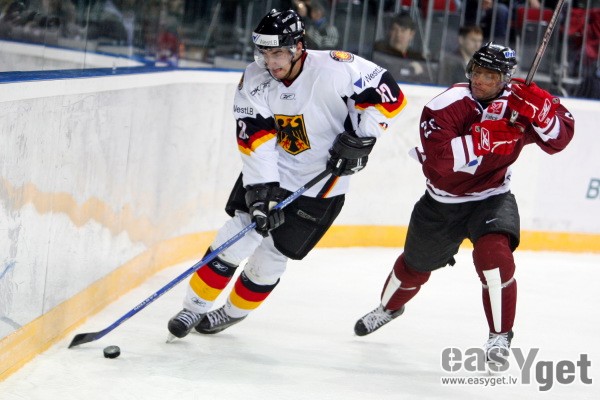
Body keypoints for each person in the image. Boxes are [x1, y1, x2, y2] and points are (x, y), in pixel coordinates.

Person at [167, 8, 407, 339]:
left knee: (270, 259)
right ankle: (193, 307)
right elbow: (255, 139)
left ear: (298, 47)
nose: (270, 62)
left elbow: (389, 94)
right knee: (236, 236)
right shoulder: (255, 79)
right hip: (273, 173)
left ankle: (232, 312)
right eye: (264, 53)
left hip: (323, 187)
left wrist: (361, 138)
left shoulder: (335, 68)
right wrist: (262, 192)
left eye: (278, 52)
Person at [354, 42, 574, 365]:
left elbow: (560, 140)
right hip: (441, 203)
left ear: (505, 79)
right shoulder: (446, 105)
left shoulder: (520, 101)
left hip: (492, 197)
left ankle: (499, 335)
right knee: (413, 268)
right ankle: (388, 308)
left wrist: (542, 115)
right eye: (477, 72)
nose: (480, 81)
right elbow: (438, 163)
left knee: (494, 259)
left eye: (490, 76)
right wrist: (485, 139)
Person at [371, 12, 428, 83]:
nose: (398, 34)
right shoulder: (379, 50)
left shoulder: (416, 57)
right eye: (395, 29)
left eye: (403, 30)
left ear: (411, 34)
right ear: (390, 31)